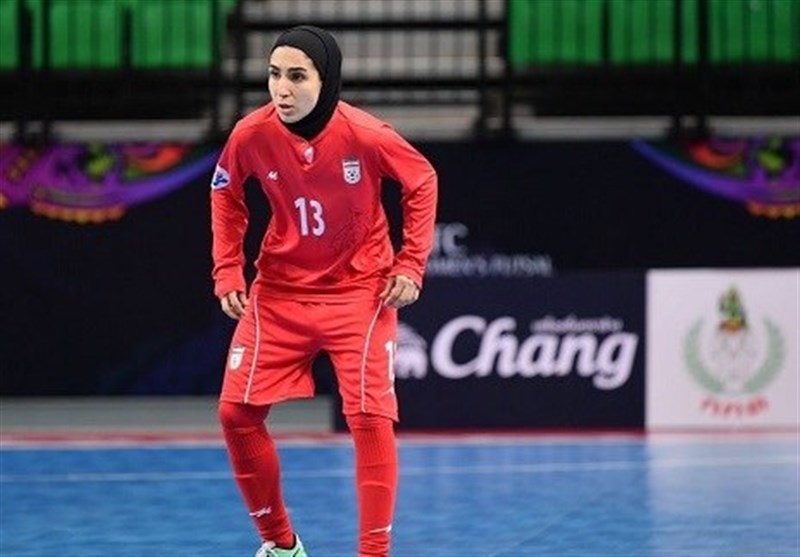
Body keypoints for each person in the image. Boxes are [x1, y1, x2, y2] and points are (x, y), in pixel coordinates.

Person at [209, 25, 438, 557]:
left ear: (326, 80)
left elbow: (422, 180)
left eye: (297, 77)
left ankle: (373, 553)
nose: (281, 89)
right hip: (279, 291)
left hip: (360, 291)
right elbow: (225, 194)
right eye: (274, 75)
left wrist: (411, 263)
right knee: (236, 414)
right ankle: (281, 546)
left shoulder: (366, 134)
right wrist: (227, 269)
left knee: (369, 417)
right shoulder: (250, 134)